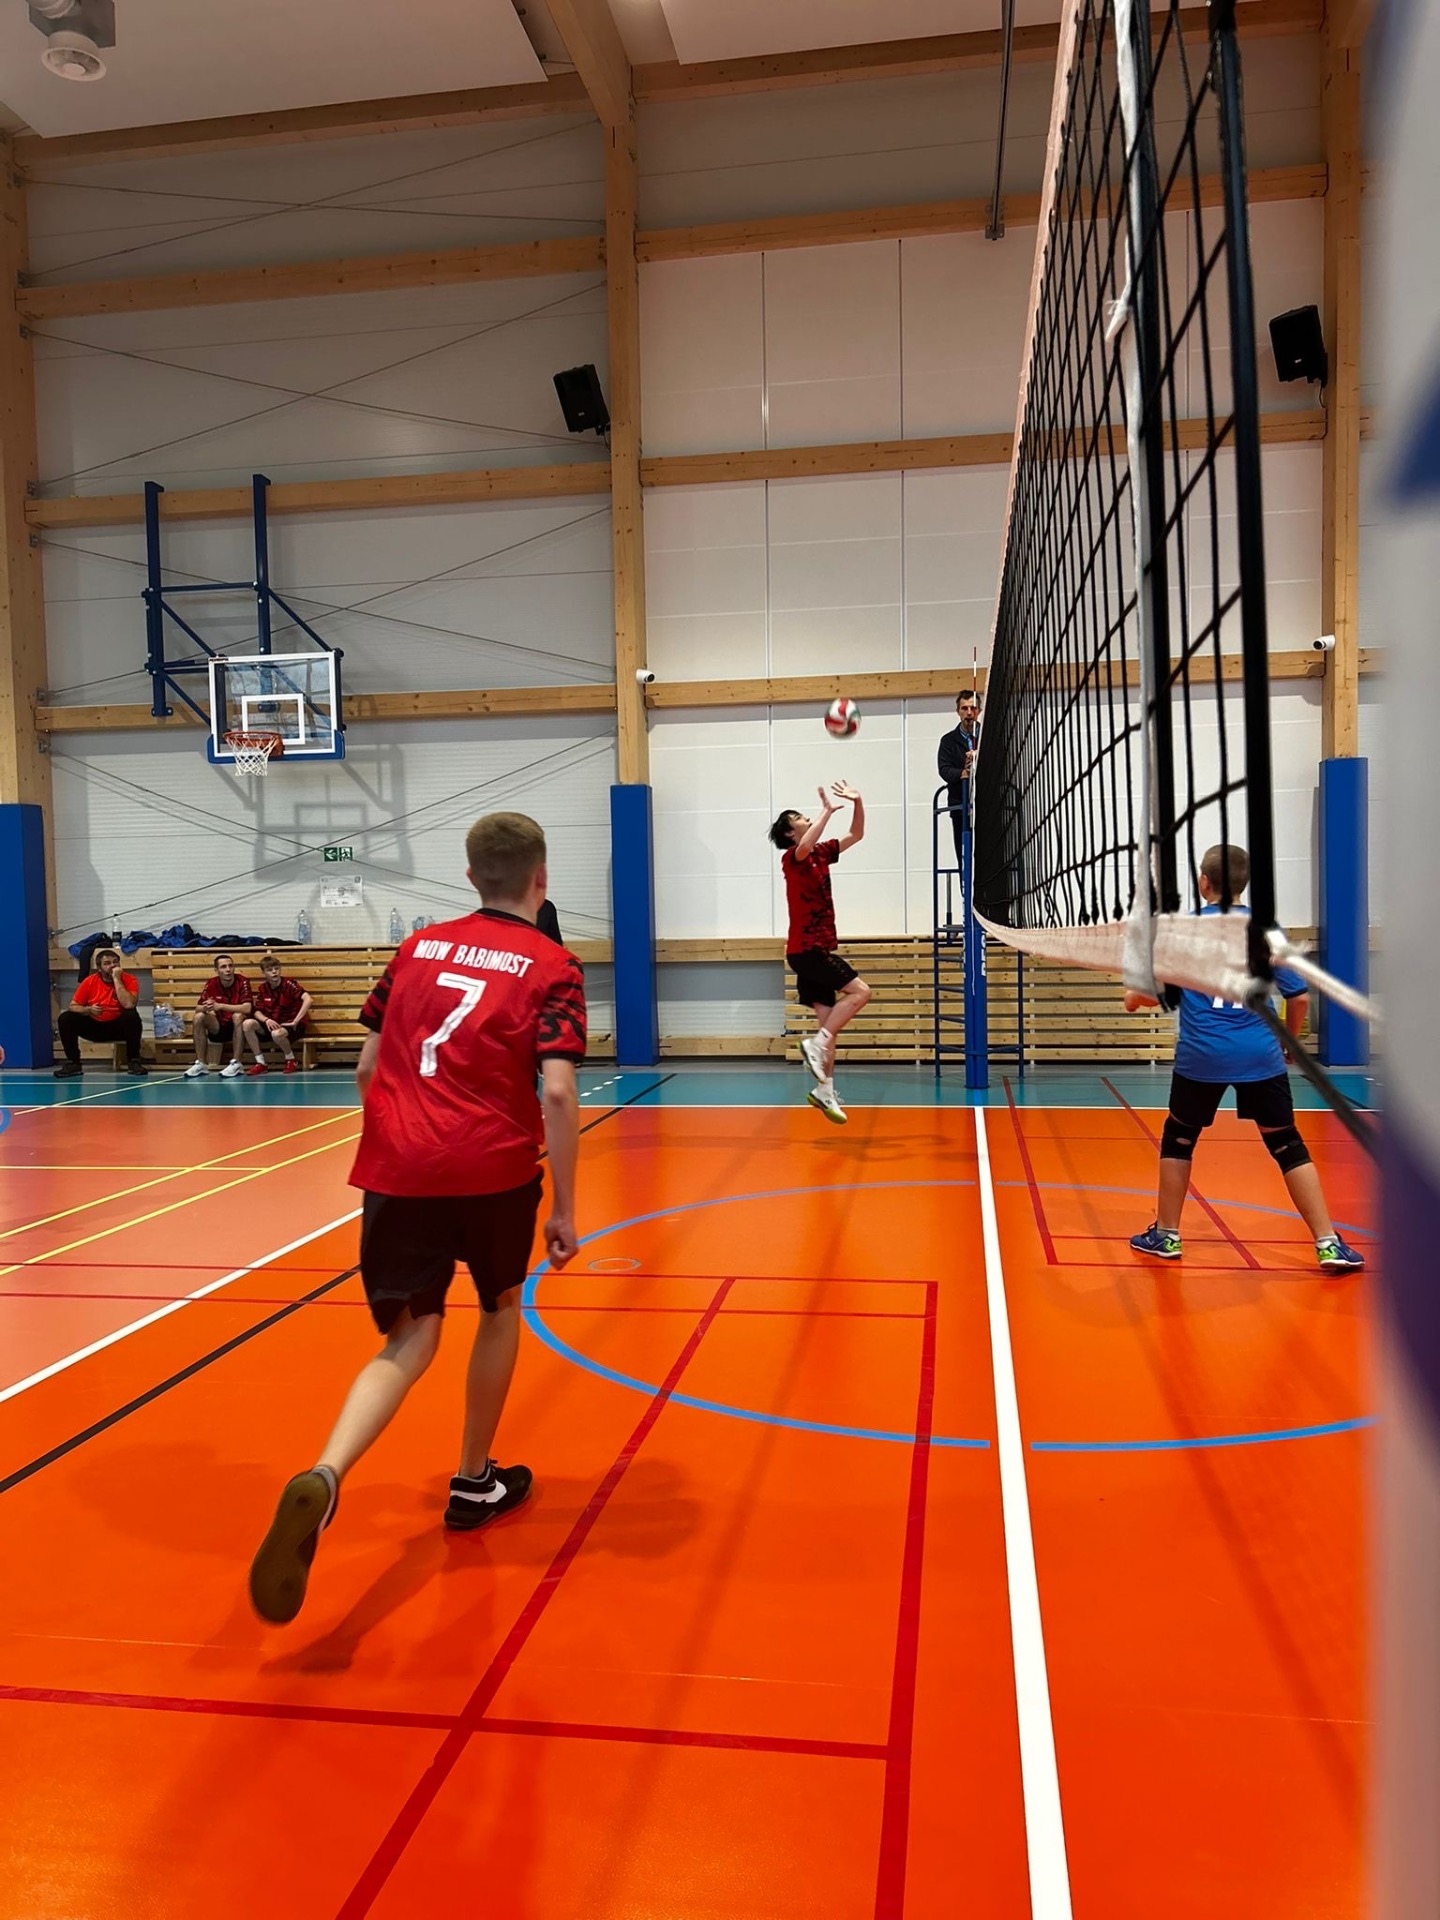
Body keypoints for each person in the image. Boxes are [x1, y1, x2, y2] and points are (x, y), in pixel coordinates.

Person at [248, 812, 586, 1626]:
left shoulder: (415, 948)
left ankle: (327, 1474)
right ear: (541, 878)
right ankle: (473, 1481)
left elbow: (369, 1065)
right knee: (499, 1308)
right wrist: (566, 1208)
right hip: (492, 1168)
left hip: (398, 1169)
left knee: (407, 1339)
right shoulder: (553, 963)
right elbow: (557, 1090)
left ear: (471, 877)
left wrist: (401, 1138)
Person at [1126, 843, 1365, 1272]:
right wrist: (1287, 1042)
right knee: (1287, 1144)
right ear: (1244, 884)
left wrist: (1132, 996)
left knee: (1179, 1138)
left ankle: (1167, 1234)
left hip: (1202, 1057)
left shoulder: (1184, 933)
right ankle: (1327, 1242)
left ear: (1204, 883)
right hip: (1259, 1054)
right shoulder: (1266, 929)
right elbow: (1299, 998)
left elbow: (1144, 995)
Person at [768, 780, 869, 1126]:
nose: (806, 818)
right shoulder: (792, 858)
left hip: (814, 949)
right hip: (807, 950)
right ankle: (817, 1044)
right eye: (799, 817)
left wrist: (858, 802)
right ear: (790, 832)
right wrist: (826, 811)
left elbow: (856, 834)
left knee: (830, 1025)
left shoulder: (822, 852)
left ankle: (824, 1089)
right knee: (861, 992)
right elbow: (805, 846)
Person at [54, 948, 146, 1078]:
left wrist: (117, 979)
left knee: (131, 1015)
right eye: (107, 963)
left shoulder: (130, 980)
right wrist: (88, 1010)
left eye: (115, 962)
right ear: (99, 968)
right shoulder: (90, 981)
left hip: (119, 1027)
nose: (113, 966)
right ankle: (73, 1063)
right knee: (66, 1018)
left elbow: (129, 1004)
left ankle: (134, 1062)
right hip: (95, 1026)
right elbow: (73, 1006)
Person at [240, 955, 313, 1075]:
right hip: (272, 1024)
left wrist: (296, 1021)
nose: (274, 972)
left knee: (276, 1034)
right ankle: (261, 1063)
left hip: (291, 1024)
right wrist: (266, 1020)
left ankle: (291, 1059)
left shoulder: (289, 984)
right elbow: (256, 1011)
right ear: (263, 972)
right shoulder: (263, 988)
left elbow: (308, 999)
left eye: (276, 968)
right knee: (247, 1024)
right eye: (269, 970)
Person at [937, 689, 983, 878]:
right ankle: (965, 893)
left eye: (973, 708)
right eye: (964, 708)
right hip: (960, 807)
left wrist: (979, 758)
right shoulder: (948, 741)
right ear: (958, 711)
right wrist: (963, 773)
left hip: (987, 808)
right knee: (964, 858)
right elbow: (944, 769)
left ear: (979, 711)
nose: (969, 713)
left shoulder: (989, 736)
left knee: (987, 859)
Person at [184, 954, 253, 1079]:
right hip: (218, 1026)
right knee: (199, 1017)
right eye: (223, 967)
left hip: (237, 1027)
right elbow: (198, 1008)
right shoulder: (211, 983)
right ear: (216, 970)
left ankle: (237, 1063)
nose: (228, 970)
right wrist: (207, 1007)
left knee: (238, 1016)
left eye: (230, 966)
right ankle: (201, 1064)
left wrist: (221, 1006)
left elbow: (247, 1008)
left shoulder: (242, 981)